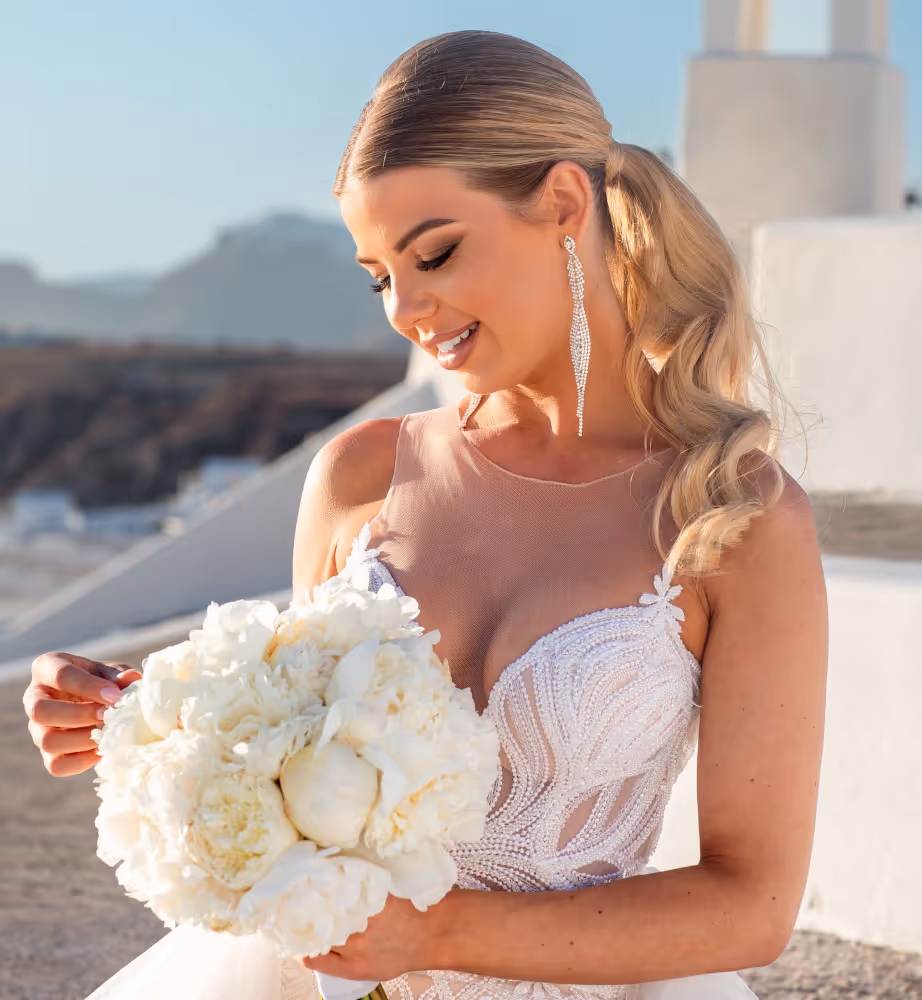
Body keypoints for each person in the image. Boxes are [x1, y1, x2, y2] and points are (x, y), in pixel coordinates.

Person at [22, 29, 828, 1000]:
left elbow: (751, 904)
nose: (403, 308)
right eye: (376, 275)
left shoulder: (728, 515)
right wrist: (145, 718)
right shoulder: (360, 476)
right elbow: (303, 759)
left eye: (434, 253)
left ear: (565, 204)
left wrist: (440, 931)